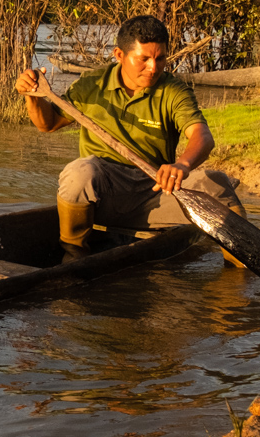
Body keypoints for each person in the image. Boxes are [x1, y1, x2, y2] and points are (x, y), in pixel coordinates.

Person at [14, 15, 244, 257]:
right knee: (79, 173)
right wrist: (32, 96)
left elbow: (202, 136)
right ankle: (73, 256)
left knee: (218, 185)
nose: (153, 67)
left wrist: (182, 165)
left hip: (156, 192)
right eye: (143, 59)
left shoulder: (174, 91)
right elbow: (47, 125)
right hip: (104, 196)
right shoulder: (92, 84)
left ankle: (240, 272)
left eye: (160, 58)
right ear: (119, 55)